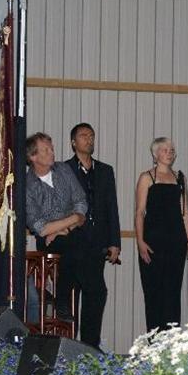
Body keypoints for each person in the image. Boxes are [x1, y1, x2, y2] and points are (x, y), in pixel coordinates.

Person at [66, 123, 121, 349]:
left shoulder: (105, 170)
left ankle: (89, 345)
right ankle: (69, 345)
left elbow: (111, 207)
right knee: (72, 296)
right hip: (73, 242)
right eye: (83, 136)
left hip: (97, 243)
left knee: (94, 295)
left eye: (91, 136)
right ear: (73, 142)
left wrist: (114, 242)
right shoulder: (64, 169)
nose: (89, 139)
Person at [135, 137, 188, 332]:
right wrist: (140, 242)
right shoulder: (147, 177)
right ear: (155, 154)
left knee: (172, 294)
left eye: (172, 150)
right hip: (153, 242)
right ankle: (154, 341)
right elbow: (140, 212)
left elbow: (185, 212)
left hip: (176, 243)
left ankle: (170, 341)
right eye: (165, 150)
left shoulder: (180, 178)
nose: (169, 153)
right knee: (154, 293)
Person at [25, 132, 88, 322]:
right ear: (33, 156)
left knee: (78, 242)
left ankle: (59, 297)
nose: (52, 153)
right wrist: (72, 219)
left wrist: (64, 229)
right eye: (46, 150)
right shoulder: (26, 185)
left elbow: (81, 201)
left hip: (73, 232)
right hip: (49, 240)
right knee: (73, 247)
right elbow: (41, 228)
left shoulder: (64, 170)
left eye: (51, 148)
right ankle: (61, 301)